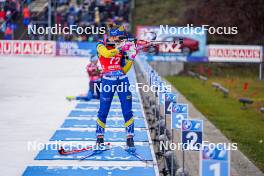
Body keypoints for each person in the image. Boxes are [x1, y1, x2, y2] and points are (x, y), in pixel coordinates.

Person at [95, 25, 136, 152]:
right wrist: (120, 47)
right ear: (112, 36)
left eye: (123, 38)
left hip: (122, 79)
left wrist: (131, 57)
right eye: (120, 37)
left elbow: (124, 70)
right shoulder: (100, 45)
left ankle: (130, 140)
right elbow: (107, 54)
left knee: (127, 110)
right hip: (108, 80)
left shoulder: (122, 49)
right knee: (103, 111)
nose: (122, 39)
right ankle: (99, 139)